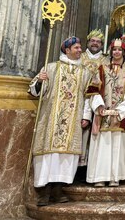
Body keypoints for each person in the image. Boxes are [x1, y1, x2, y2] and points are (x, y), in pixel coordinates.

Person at [28, 37, 92, 206]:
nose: (80, 50)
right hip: (51, 119)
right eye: (77, 48)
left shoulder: (85, 72)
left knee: (65, 156)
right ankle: (44, 192)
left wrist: (86, 116)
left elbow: (88, 97)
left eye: (80, 48)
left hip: (73, 119)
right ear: (67, 50)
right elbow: (34, 91)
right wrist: (40, 81)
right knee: (49, 155)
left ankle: (58, 190)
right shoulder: (51, 68)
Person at [86, 39, 125, 187]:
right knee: (103, 146)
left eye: (120, 50)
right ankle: (100, 176)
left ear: (124, 52)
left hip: (121, 114)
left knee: (118, 145)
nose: (117, 52)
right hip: (103, 112)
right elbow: (93, 89)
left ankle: (115, 176)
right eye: (114, 50)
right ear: (111, 52)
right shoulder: (102, 68)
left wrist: (120, 111)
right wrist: (99, 106)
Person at [78, 29, 107, 171]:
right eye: (93, 41)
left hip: (98, 100)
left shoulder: (106, 60)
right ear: (88, 42)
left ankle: (90, 167)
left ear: (102, 45)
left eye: (98, 42)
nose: (95, 44)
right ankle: (78, 166)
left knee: (95, 135)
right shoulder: (80, 57)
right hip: (80, 98)